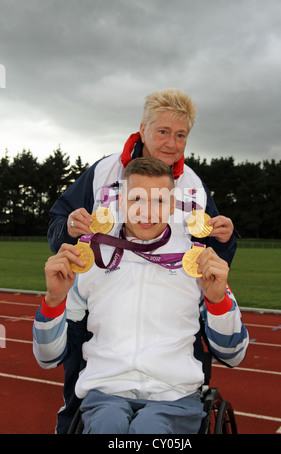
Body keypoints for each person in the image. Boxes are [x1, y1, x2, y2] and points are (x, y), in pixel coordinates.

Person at [45, 88, 238, 433]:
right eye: (163, 132)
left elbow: (210, 255)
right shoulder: (104, 171)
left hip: (170, 310)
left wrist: (225, 239)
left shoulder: (193, 183)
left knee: (177, 393)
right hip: (101, 310)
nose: (171, 143)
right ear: (143, 129)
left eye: (181, 135)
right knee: (82, 403)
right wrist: (69, 229)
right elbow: (58, 223)